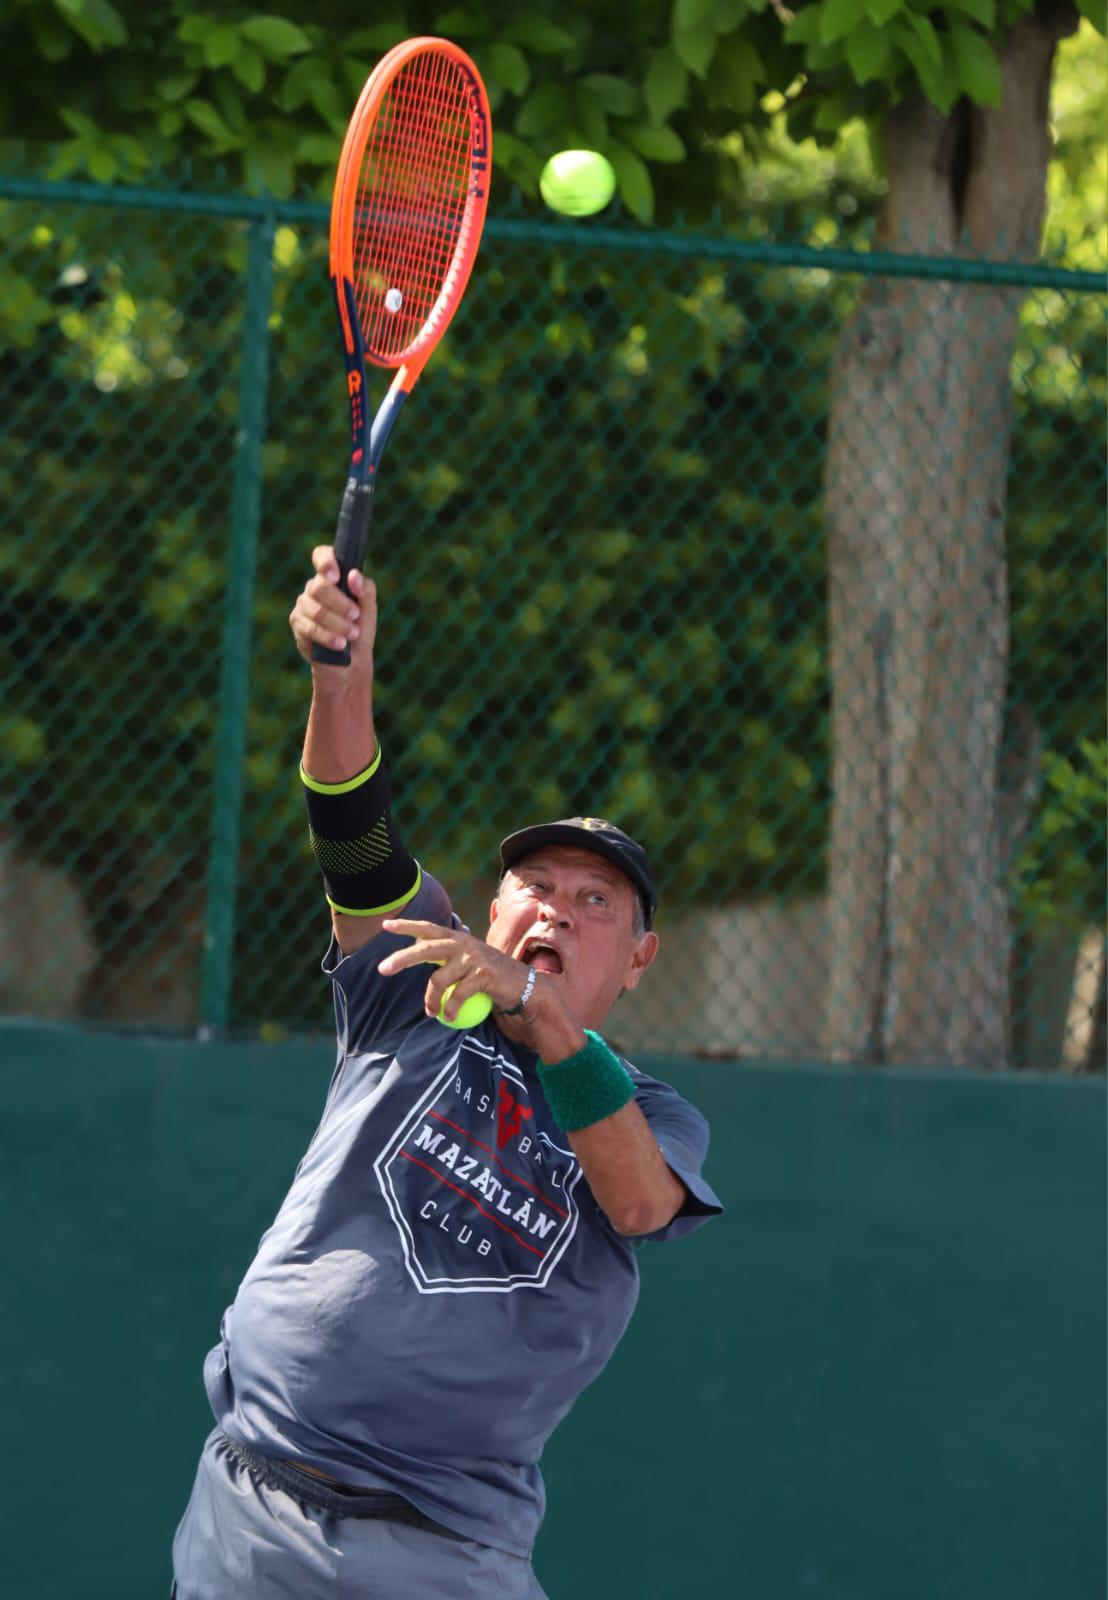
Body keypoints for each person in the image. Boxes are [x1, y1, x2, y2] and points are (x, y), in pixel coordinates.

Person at [171, 545, 722, 1599]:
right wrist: (342, 678)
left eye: (596, 899)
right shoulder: (413, 976)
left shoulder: (647, 1112)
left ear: (639, 958)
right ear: (494, 904)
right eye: (535, 883)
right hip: (255, 1504)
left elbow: (643, 1203)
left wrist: (544, 1021)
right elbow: (352, 828)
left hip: (445, 1552)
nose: (558, 906)